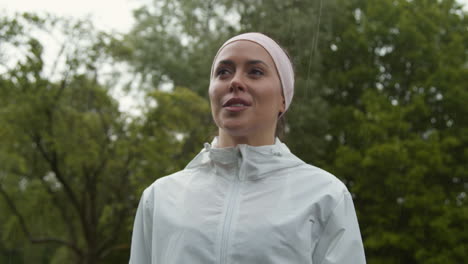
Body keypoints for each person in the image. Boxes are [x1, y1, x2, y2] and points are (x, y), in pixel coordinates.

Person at [129, 32, 366, 264]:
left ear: (283, 98)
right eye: (223, 72)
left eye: (255, 72)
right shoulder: (160, 198)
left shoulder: (325, 195)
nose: (235, 82)